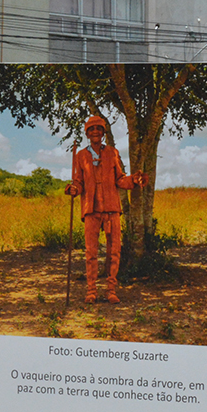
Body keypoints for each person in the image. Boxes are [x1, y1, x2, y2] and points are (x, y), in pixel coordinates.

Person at [65, 115, 147, 303]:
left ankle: (111, 290)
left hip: (111, 208)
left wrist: (134, 180)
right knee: (91, 252)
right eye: (92, 129)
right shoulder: (81, 156)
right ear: (87, 133)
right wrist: (74, 189)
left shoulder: (112, 153)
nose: (95, 132)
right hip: (91, 210)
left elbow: (120, 178)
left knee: (114, 251)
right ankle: (91, 291)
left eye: (99, 129)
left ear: (103, 133)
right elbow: (79, 181)